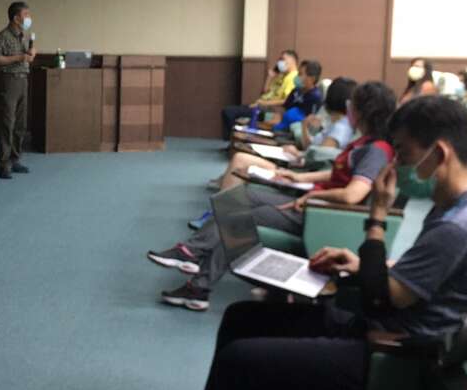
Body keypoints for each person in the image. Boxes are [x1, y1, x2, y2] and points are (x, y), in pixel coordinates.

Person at [126, 96, 467, 390]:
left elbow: (382, 299)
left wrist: (377, 218)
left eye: (405, 153)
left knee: (242, 359)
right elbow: (420, 278)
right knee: (242, 317)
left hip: (393, 355)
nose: (397, 165)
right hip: (383, 327)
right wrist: (360, 265)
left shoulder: (457, 226)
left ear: (440, 153)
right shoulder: (465, 207)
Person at [151, 81, 396, 311]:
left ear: (364, 111)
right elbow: (335, 174)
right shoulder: (364, 143)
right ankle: (192, 252)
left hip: (322, 214)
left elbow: (352, 195)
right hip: (314, 202)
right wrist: (298, 176)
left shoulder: (377, 151)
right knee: (237, 198)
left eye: (353, 104)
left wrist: (310, 198)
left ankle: (198, 288)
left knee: (237, 220)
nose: (348, 108)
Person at [207, 77, 355, 194]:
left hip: (300, 172)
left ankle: (220, 209)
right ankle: (223, 194)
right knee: (242, 158)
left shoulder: (340, 129)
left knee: (240, 159)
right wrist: (304, 128)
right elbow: (313, 151)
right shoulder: (334, 123)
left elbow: (316, 160)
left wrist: (298, 154)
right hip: (300, 164)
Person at [0, 2, 36, 179]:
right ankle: (3, 163)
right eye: (26, 15)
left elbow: (24, 58)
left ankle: (15, 159)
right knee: (7, 123)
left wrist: (31, 54)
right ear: (16, 18)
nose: (29, 18)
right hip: (9, 81)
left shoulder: (23, 36)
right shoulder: (3, 36)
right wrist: (20, 57)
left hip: (23, 80)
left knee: (20, 124)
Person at [220, 50, 299, 138]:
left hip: (269, 110)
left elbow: (286, 100)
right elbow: (265, 92)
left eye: (283, 59)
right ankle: (232, 139)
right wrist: (269, 77)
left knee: (229, 112)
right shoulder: (282, 76)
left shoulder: (293, 78)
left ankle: (232, 139)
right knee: (232, 111)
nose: (279, 62)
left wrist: (264, 103)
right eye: (279, 59)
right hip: (260, 104)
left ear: (292, 61)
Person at [271, 59, 323, 131]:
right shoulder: (296, 91)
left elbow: (312, 124)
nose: (297, 77)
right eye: (298, 73)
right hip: (282, 127)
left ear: (312, 79)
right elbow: (284, 108)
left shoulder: (315, 97)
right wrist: (277, 115)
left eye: (300, 74)